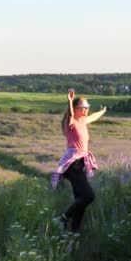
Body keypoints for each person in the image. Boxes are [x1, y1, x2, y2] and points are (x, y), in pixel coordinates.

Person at [51, 88, 106, 232]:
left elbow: (93, 117)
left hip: (80, 163)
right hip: (72, 164)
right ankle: (62, 219)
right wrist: (69, 101)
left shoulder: (82, 121)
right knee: (89, 195)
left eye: (87, 106)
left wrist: (102, 111)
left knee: (81, 200)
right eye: (83, 107)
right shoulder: (71, 123)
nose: (86, 109)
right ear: (75, 109)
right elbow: (70, 115)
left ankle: (73, 233)